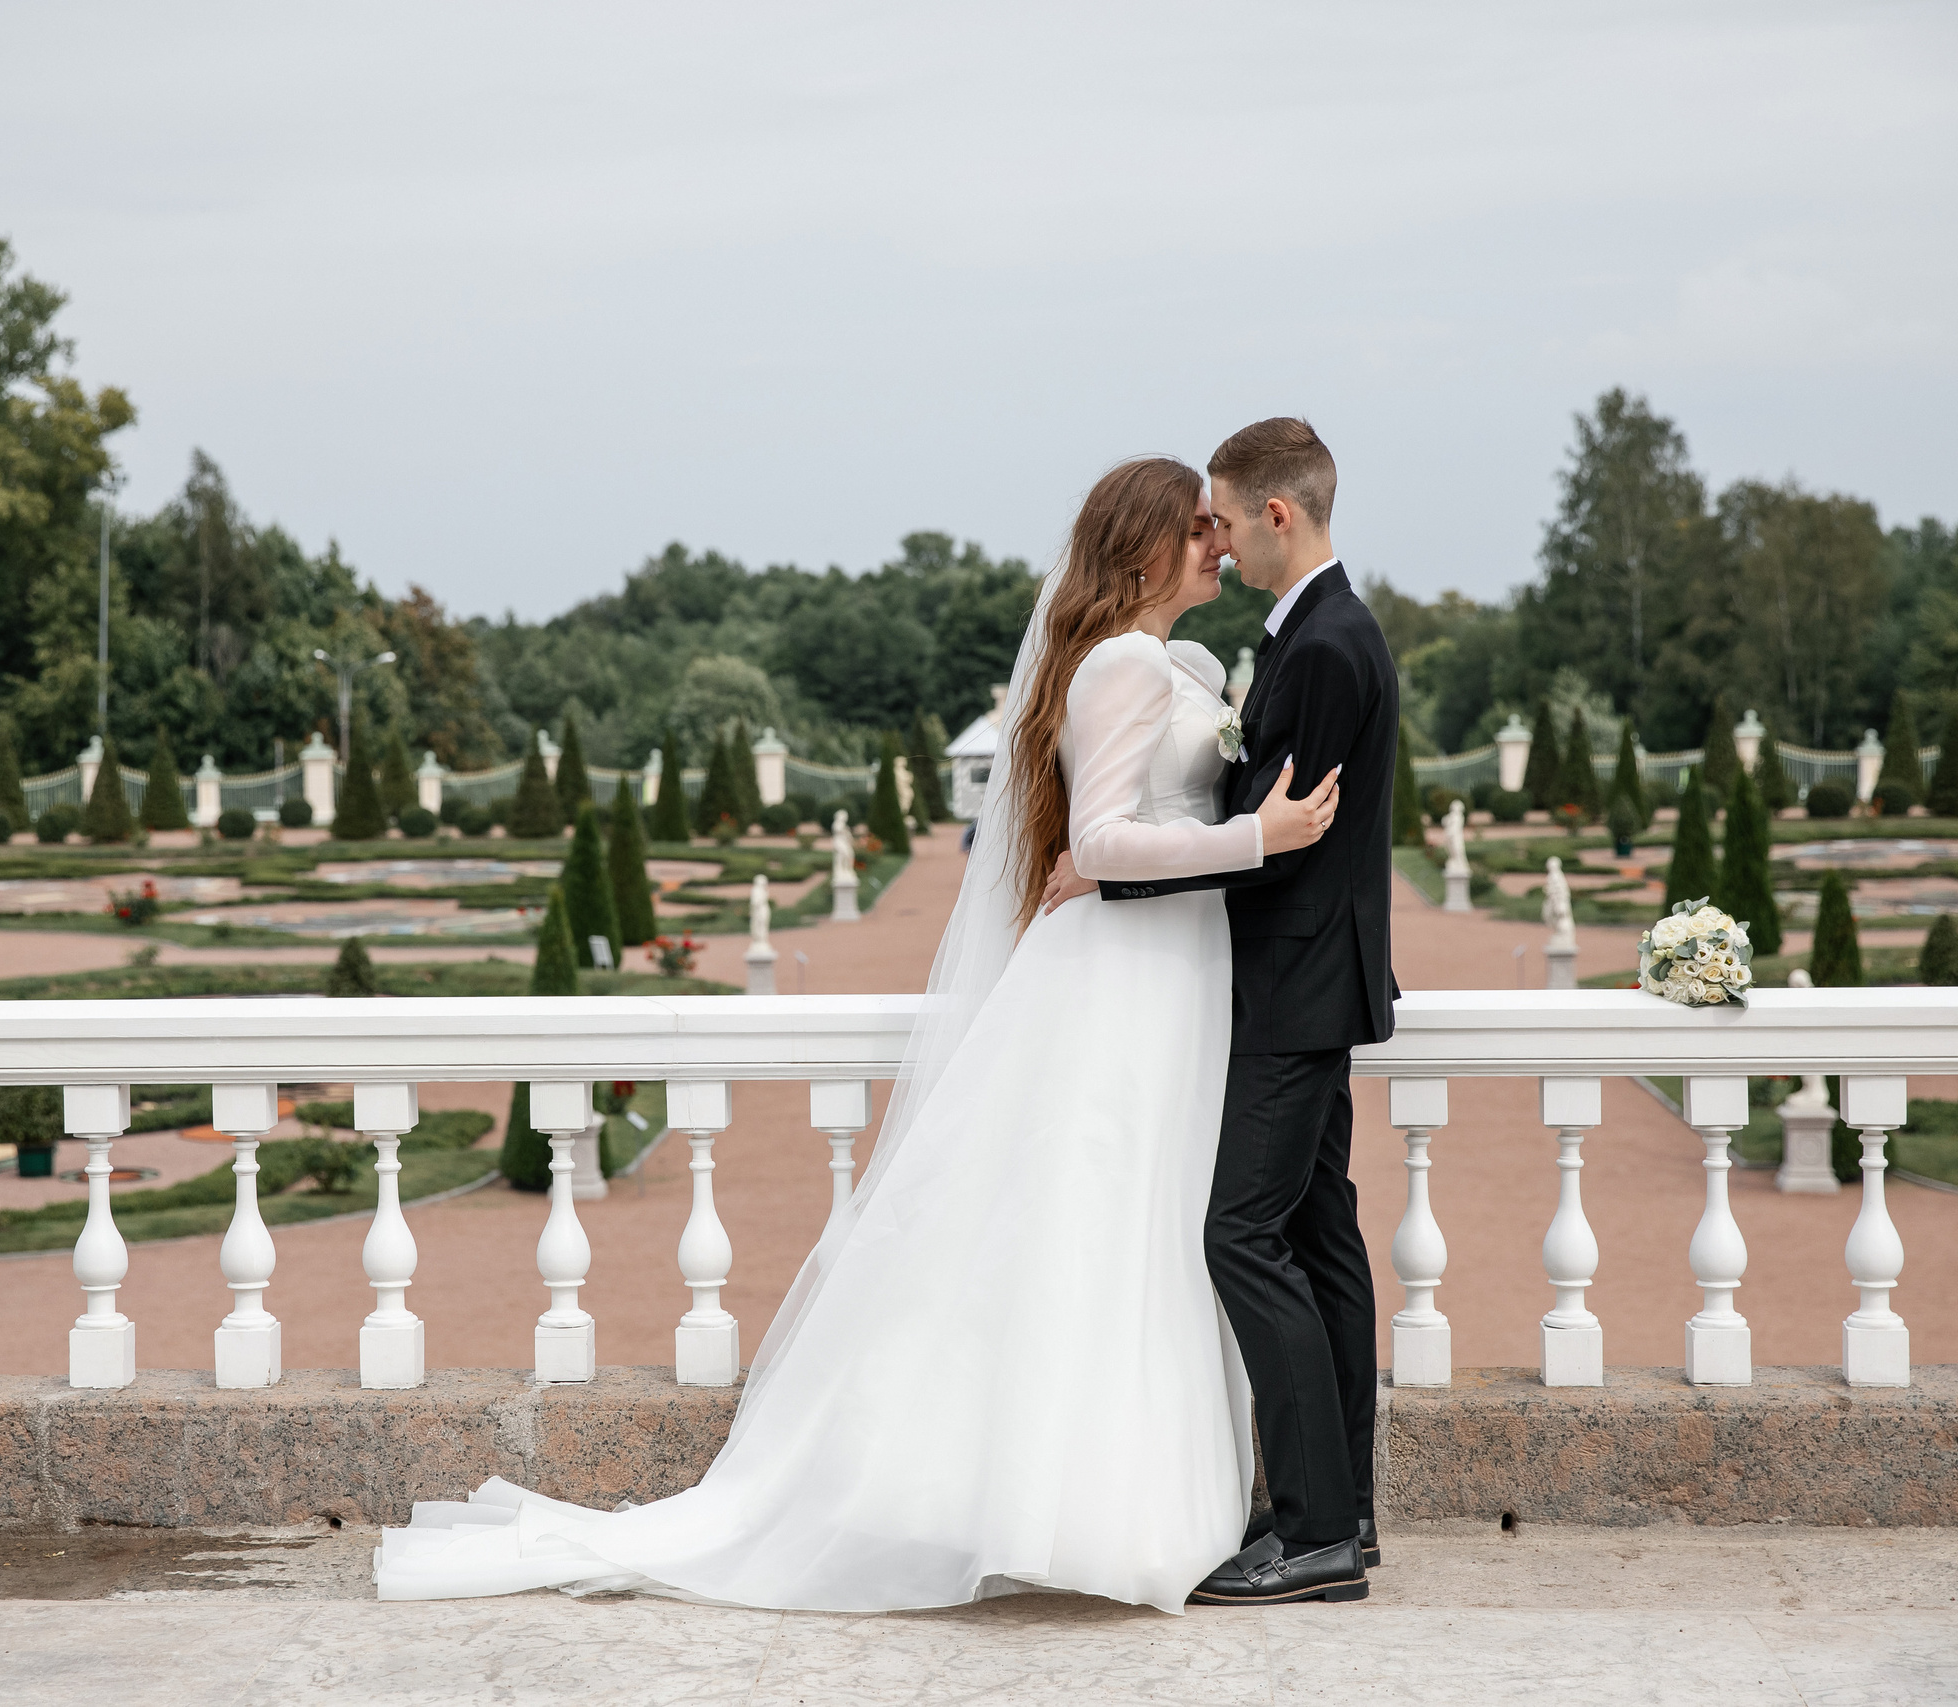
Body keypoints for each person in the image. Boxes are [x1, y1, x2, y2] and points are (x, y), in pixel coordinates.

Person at [375, 456, 1341, 1612]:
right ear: (1140, 548)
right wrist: (1260, 841)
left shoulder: (1180, 663)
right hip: (1123, 980)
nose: (1217, 545)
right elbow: (1099, 848)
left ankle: (1135, 1498)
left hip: (1172, 978)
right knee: (1101, 1222)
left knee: (1147, 1228)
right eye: (1195, 529)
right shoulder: (1125, 664)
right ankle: (1088, 1511)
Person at [1045, 416, 1399, 1605]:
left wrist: (1125, 864)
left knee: (1241, 1236)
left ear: (1275, 515)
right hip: (1287, 983)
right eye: (1199, 526)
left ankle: (1312, 1532)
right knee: (1313, 1235)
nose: (1221, 540)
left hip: (1290, 987)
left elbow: (1292, 841)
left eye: (1226, 520)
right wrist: (1131, 857)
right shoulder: (1296, 640)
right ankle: (1337, 1509)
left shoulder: (1325, 648)